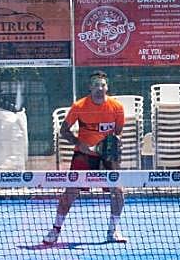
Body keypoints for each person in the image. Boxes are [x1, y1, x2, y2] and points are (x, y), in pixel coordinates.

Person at [44, 71, 127, 245]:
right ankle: (55, 229)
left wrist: (113, 145)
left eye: (102, 85)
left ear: (107, 87)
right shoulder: (79, 106)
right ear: (90, 87)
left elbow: (117, 133)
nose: (99, 88)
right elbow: (64, 131)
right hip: (84, 155)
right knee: (70, 193)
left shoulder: (117, 107)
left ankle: (113, 231)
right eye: (96, 85)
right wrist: (78, 142)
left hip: (106, 156)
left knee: (118, 191)